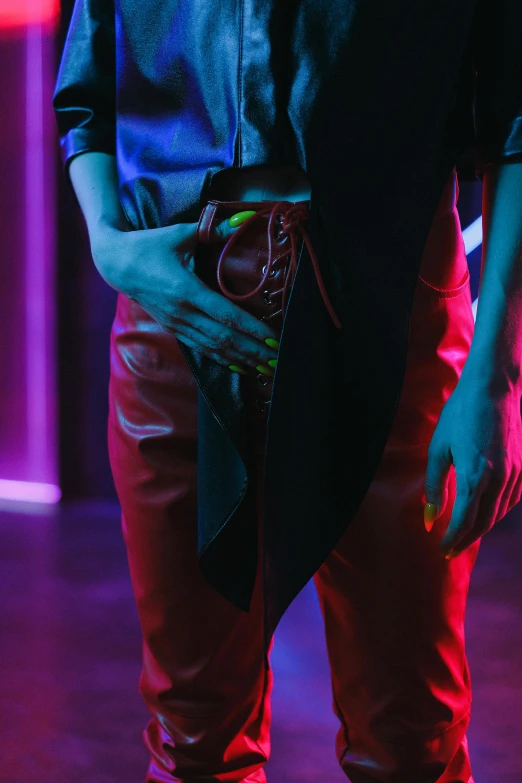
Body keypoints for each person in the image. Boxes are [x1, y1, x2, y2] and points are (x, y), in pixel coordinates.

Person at [53, 0, 522, 780]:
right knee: (194, 736)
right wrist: (111, 247)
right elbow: (86, 95)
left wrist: (500, 376)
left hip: (395, 309)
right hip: (178, 323)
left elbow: (516, 117)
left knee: (411, 741)